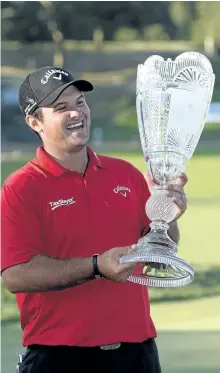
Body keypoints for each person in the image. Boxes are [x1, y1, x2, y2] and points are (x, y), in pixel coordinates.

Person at [1, 66, 188, 373]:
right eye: (61, 108)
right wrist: (96, 266)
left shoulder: (126, 174)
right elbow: (16, 275)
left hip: (136, 353)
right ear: (35, 121)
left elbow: (161, 256)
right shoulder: (21, 187)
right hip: (60, 357)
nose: (77, 113)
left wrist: (167, 217)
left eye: (80, 102)